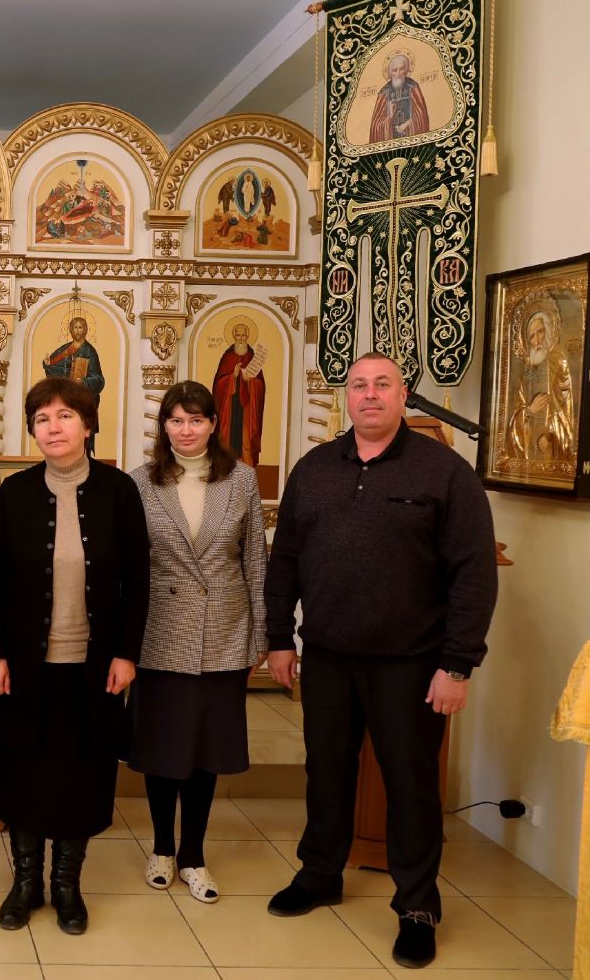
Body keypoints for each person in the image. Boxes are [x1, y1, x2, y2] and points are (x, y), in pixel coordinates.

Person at [265, 353, 497, 969]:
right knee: (326, 774)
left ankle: (417, 905)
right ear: (347, 397)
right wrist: (280, 638)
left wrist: (458, 664)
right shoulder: (315, 468)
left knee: (412, 786)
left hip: (412, 666)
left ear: (403, 395)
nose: (369, 395)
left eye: (382, 385)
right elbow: (285, 560)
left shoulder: (444, 472)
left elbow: (474, 575)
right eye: (359, 385)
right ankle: (320, 874)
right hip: (328, 657)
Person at [0, 377, 149, 935]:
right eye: (43, 418)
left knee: (83, 775)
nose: (54, 427)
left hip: (94, 666)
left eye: (66, 416)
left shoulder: (118, 491)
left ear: (88, 424)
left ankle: (68, 886)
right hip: (25, 665)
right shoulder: (16, 493)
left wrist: (127, 654)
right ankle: (25, 883)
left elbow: (138, 581)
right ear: (33, 430)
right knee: (23, 772)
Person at [128, 381, 265, 905]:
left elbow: (255, 560)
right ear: (163, 426)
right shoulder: (141, 482)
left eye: (196, 420)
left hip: (223, 631)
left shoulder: (241, 479)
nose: (186, 430)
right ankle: (162, 849)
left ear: (213, 424)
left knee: (206, 751)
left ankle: (194, 855)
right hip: (161, 630)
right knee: (163, 747)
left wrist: (260, 632)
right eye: (176, 420)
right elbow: (129, 567)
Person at [507, 306, 575, 463]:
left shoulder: (559, 363)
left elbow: (565, 411)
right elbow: (514, 418)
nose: (537, 341)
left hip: (550, 446)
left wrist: (550, 434)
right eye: (531, 336)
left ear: (548, 331)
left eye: (540, 332)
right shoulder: (525, 374)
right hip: (528, 448)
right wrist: (530, 411)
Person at [211, 320, 266, 467]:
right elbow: (217, 385)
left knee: (244, 435)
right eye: (238, 335)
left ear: (247, 337)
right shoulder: (227, 357)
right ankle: (226, 463)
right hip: (230, 404)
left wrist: (250, 381)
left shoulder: (252, 357)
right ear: (234, 336)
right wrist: (232, 376)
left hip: (247, 406)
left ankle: (246, 465)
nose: (241, 338)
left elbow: (261, 386)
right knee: (229, 435)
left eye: (243, 335)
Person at [369, 52, 431, 143]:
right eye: (394, 70)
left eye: (401, 69)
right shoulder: (383, 93)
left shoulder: (413, 87)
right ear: (390, 73)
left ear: (407, 70)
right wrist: (389, 117)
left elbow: (422, 117)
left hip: (412, 141)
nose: (398, 74)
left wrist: (407, 124)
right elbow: (376, 126)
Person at [42, 316, 106, 397]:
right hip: (64, 393)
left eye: (80, 327)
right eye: (75, 327)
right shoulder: (65, 348)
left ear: (85, 329)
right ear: (71, 330)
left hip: (80, 395)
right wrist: (48, 364)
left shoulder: (89, 351)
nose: (77, 331)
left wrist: (83, 382)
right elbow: (55, 368)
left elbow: (99, 379)